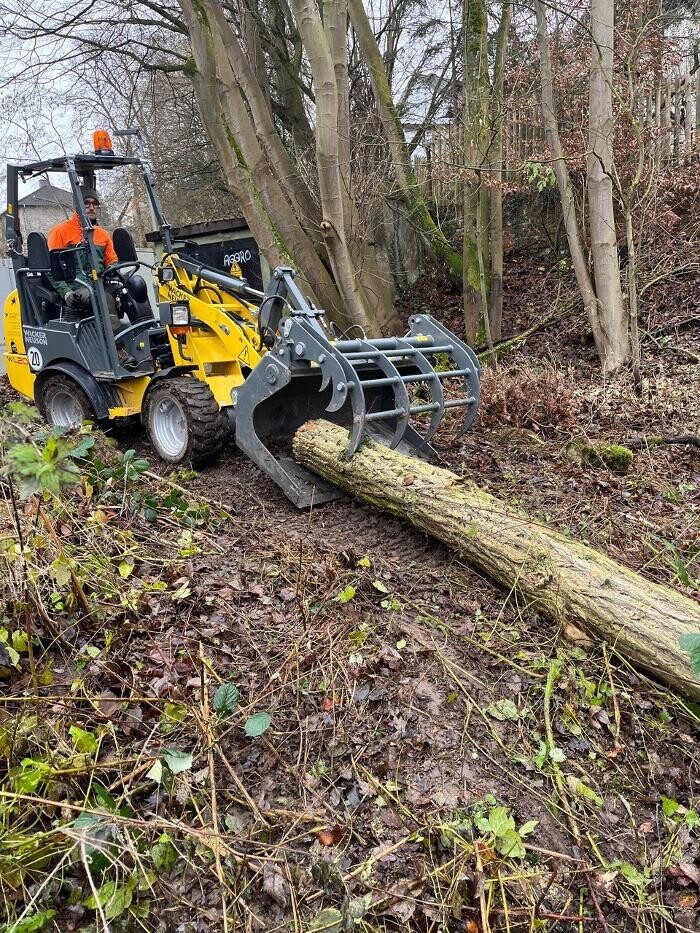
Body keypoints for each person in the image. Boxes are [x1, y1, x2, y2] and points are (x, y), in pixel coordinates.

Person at [47, 187, 122, 331]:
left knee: (135, 287)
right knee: (100, 297)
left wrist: (115, 277)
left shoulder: (102, 234)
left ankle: (146, 334)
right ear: (78, 206)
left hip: (99, 283)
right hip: (76, 286)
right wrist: (66, 292)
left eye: (95, 204)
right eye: (86, 203)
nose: (91, 207)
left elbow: (112, 262)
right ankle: (115, 345)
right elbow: (52, 269)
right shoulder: (60, 232)